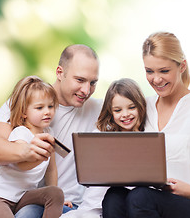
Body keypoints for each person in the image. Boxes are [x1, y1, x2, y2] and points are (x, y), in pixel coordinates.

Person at [102, 32, 190, 218]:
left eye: (164, 71)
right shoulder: (144, 107)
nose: (156, 79)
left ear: (182, 66)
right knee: (114, 196)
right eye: (149, 71)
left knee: (140, 197)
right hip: (156, 202)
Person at [0, 44, 103, 217]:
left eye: (93, 82)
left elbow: (134, 105)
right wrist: (27, 151)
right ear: (60, 72)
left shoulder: (100, 109)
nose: (86, 91)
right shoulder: (26, 101)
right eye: (79, 80)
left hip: (69, 204)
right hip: (21, 200)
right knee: (26, 214)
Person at [60, 78, 147, 218]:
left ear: (140, 106)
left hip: (124, 205)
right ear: (111, 112)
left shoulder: (148, 137)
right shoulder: (101, 135)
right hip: (93, 205)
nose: (125, 114)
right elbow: (88, 175)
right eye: (118, 110)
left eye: (131, 107)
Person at [0, 75, 64, 218]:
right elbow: (22, 165)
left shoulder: (49, 133)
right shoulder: (21, 132)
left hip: (21, 197)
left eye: (50, 106)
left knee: (56, 193)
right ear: (24, 112)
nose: (47, 111)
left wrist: (58, 196)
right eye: (39, 107)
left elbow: (51, 169)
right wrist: (42, 155)